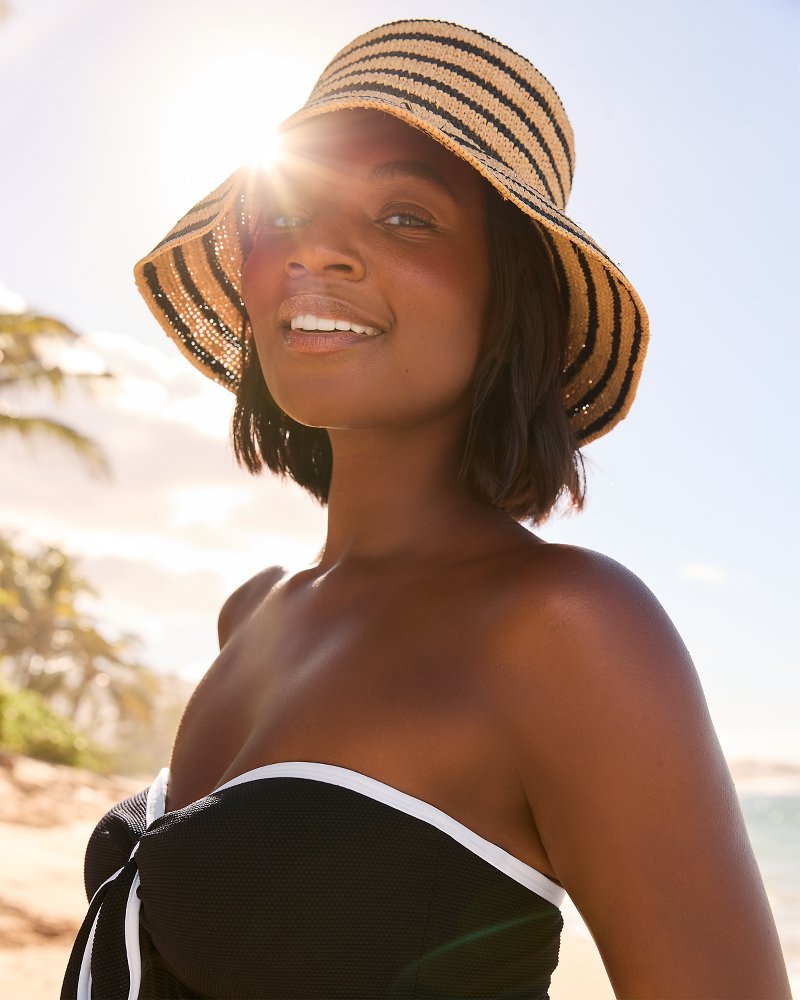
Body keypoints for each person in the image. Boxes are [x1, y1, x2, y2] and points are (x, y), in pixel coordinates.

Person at [62, 19, 790, 1000]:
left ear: (511, 294)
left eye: (404, 215)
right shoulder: (255, 612)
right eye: (287, 211)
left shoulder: (564, 628)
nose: (318, 249)